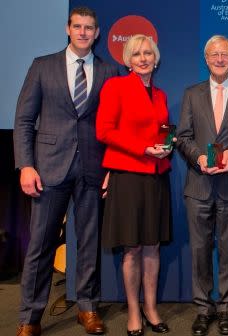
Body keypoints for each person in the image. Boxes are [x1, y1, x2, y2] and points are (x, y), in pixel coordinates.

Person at [13, 6, 118, 336]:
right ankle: (30, 317)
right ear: (67, 29)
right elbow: (24, 120)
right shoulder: (42, 67)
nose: (84, 32)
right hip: (48, 169)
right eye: (78, 26)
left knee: (88, 243)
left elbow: (115, 125)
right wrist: (26, 165)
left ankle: (87, 308)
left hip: (92, 168)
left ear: (97, 33)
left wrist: (111, 169)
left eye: (89, 27)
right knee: (40, 246)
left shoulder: (109, 71)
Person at [96, 34, 172, 336]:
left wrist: (166, 146)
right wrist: (142, 148)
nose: (143, 58)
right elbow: (104, 130)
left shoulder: (161, 94)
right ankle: (133, 311)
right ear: (128, 59)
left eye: (148, 53)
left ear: (156, 58)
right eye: (137, 54)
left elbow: (163, 131)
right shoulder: (116, 86)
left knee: (152, 246)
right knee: (132, 248)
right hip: (127, 176)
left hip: (155, 176)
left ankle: (151, 308)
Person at [177, 35, 228, 336]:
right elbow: (183, 136)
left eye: (225, 54)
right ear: (205, 59)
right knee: (200, 249)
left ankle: (226, 308)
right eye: (214, 54)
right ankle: (203, 309)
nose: (219, 59)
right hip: (199, 184)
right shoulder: (191, 94)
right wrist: (197, 158)